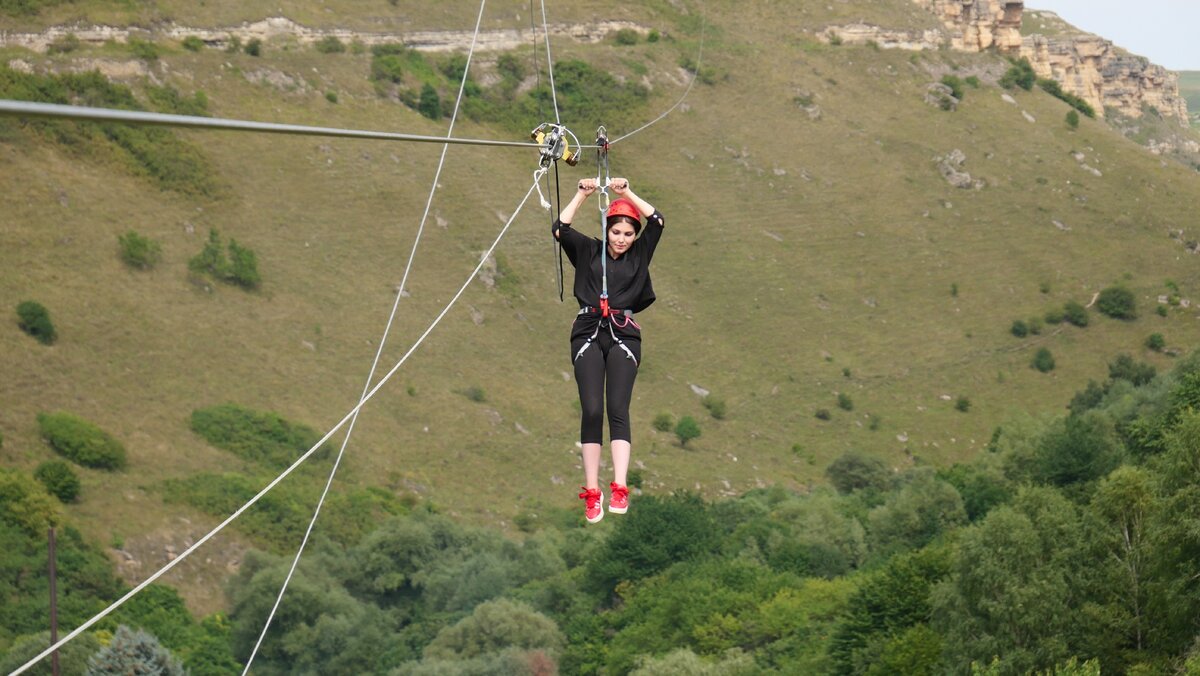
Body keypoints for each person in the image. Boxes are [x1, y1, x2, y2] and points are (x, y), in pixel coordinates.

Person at [553, 176, 664, 523]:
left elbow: (657, 221)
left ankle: (619, 484)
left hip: (623, 333)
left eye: (628, 234)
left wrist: (626, 192)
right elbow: (560, 228)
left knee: (617, 407)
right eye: (616, 233)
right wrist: (583, 195)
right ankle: (592, 491)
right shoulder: (589, 250)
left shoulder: (640, 254)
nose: (621, 240)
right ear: (607, 231)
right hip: (588, 329)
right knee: (591, 409)